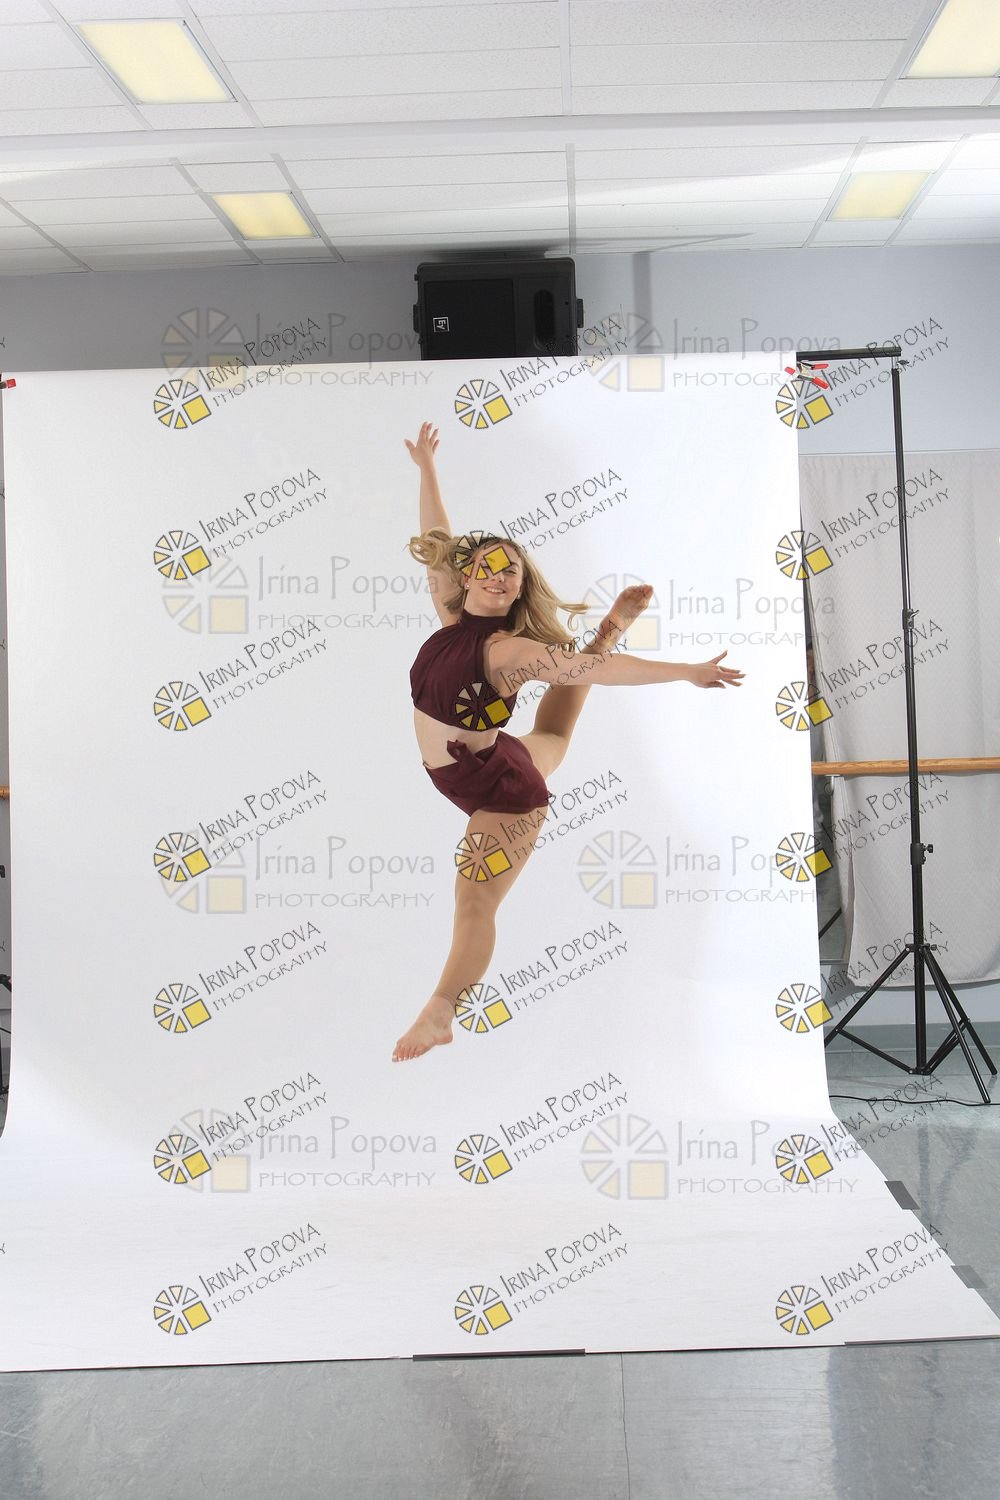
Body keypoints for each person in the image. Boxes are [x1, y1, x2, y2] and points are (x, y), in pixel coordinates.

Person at [393, 422, 743, 1062]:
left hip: (503, 794)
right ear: (467, 577)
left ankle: (440, 1012)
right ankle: (608, 627)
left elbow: (599, 674)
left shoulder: (509, 650)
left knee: (474, 903)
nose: (498, 576)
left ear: (519, 586)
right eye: (487, 567)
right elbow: (438, 538)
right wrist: (428, 470)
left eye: (511, 572)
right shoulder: (450, 613)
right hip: (489, 761)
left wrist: (686, 671)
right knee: (550, 735)